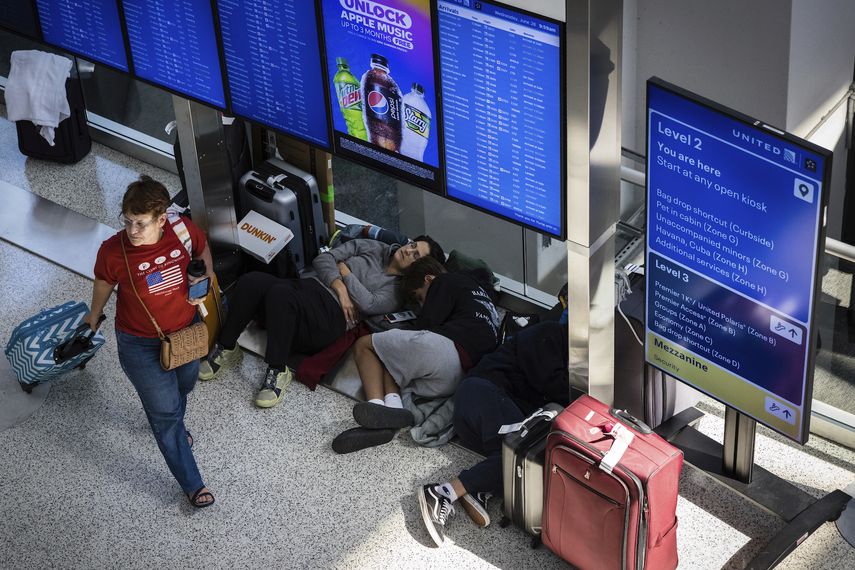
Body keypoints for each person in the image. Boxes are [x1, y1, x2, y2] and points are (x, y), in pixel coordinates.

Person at [83, 176, 217, 508]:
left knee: (185, 385)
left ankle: (170, 424)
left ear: (161, 219)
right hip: (139, 343)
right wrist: (94, 315)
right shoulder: (114, 251)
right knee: (167, 413)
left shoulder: (181, 230)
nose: (132, 230)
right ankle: (192, 484)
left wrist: (208, 275)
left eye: (140, 224)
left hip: (185, 334)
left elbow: (202, 247)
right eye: (127, 221)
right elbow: (103, 282)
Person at [200, 236, 445, 408]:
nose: (408, 250)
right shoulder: (373, 246)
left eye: (416, 255)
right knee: (252, 281)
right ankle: (227, 347)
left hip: (330, 319)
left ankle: (277, 370)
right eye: (412, 245)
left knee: (280, 294)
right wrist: (340, 286)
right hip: (308, 288)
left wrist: (345, 272)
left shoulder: (397, 290)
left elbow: (369, 304)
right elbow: (324, 259)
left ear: (418, 266)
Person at [416, 320, 570, 546]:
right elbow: (548, 382)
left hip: (489, 419)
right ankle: (441, 493)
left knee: (527, 461)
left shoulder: (563, 350)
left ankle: (477, 485)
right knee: (520, 457)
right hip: (483, 392)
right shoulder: (551, 333)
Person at [331, 256, 500, 454]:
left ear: (429, 279)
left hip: (443, 350)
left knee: (364, 346)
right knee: (392, 358)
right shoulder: (485, 301)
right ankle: (390, 415)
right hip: (457, 380)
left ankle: (376, 404)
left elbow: (426, 323)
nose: (422, 304)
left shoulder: (444, 280)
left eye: (420, 297)